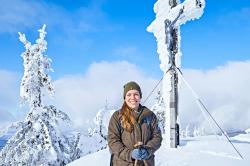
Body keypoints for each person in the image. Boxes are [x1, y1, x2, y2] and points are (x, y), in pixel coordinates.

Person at [108, 81, 162, 166]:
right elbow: (113, 141)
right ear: (125, 98)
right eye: (129, 95)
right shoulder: (117, 117)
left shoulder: (150, 115)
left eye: (136, 94)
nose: (132, 97)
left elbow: (157, 137)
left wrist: (148, 150)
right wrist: (130, 154)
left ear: (140, 96)